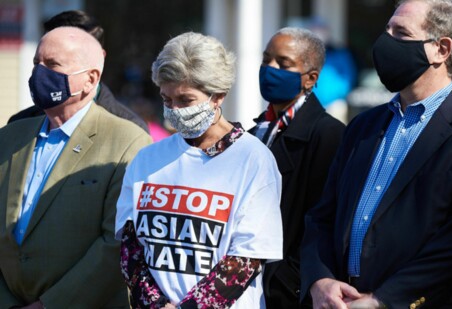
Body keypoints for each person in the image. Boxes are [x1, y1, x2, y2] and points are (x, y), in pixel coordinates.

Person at [300, 0, 452, 308]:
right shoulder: (362, 126)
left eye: (401, 33)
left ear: (441, 49)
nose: (385, 41)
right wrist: (319, 280)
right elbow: (322, 217)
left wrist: (383, 301)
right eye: (387, 29)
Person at [115, 32, 283, 309]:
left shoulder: (253, 159)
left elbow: (246, 259)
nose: (174, 109)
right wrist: (156, 304)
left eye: (186, 100)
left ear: (217, 96)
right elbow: (131, 247)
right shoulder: (147, 159)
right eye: (166, 99)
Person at [0, 27, 151, 308]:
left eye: (53, 65)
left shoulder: (128, 142)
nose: (38, 73)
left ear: (90, 79)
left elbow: (115, 243)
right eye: (36, 63)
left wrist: (49, 305)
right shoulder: (9, 138)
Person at [249, 27, 345, 308]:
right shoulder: (258, 130)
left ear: (310, 79)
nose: (270, 69)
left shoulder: (328, 134)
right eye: (266, 59)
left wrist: (287, 282)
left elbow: (321, 219)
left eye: (283, 63)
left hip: (288, 294)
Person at [8, 10, 150, 134]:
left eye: (54, 62)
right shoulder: (19, 125)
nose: (41, 72)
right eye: (38, 61)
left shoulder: (128, 130)